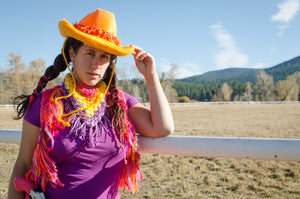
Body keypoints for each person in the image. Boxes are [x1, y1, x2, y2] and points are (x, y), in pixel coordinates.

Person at [8, 8, 174, 199]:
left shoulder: (119, 103)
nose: (96, 63)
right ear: (72, 53)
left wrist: (151, 75)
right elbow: (23, 164)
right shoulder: (46, 104)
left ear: (110, 62)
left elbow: (162, 127)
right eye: (89, 53)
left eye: (104, 56)